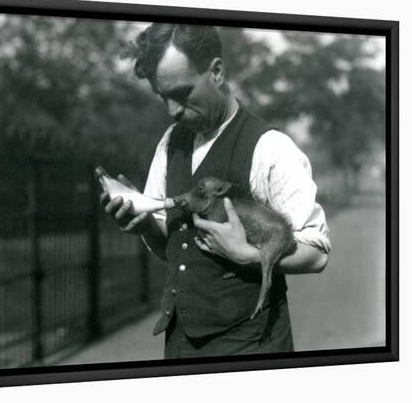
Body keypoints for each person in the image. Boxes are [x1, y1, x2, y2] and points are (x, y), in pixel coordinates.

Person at [100, 23, 331, 358]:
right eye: (162, 97)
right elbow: (175, 248)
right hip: (180, 344)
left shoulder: (270, 148)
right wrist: (145, 225)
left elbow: (318, 251)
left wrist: (249, 255)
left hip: (251, 348)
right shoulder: (170, 143)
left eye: (181, 93)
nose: (172, 110)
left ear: (217, 72)